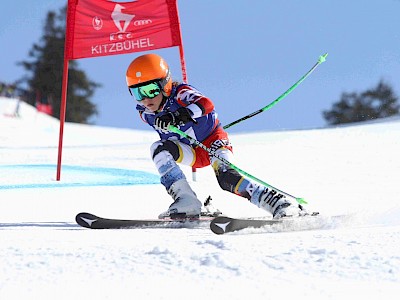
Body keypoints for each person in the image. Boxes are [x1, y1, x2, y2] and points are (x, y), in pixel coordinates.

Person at [126, 53, 305, 219]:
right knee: (158, 148)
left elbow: (207, 104)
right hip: (191, 152)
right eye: (137, 93)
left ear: (165, 84)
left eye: (150, 90)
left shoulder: (180, 93)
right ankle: (186, 200)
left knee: (227, 178)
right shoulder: (144, 112)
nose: (145, 99)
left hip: (213, 142)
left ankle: (280, 203)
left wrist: (179, 115)